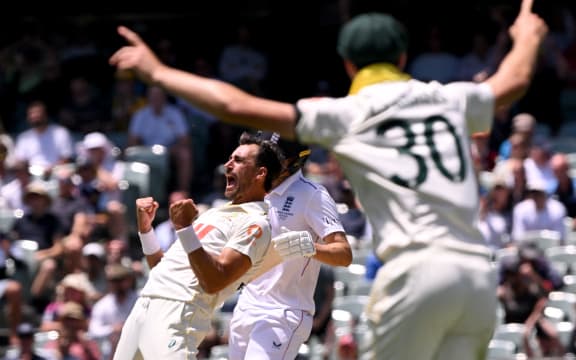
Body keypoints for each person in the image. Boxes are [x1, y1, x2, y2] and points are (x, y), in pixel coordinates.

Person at [109, 1, 548, 358]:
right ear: (402, 58)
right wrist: (528, 34)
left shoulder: (348, 113)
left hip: (411, 276)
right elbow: (514, 79)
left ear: (348, 64)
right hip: (475, 276)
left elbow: (234, 103)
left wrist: (159, 72)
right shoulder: (449, 98)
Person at [112, 132, 307, 359]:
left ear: (260, 173)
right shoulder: (214, 213)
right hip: (144, 306)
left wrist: (185, 228)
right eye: (230, 158)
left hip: (180, 312)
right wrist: (146, 231)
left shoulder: (257, 223)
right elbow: (162, 271)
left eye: (239, 160)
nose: (228, 164)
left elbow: (215, 281)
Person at [227, 132, 352, 359]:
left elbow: (344, 254)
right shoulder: (256, 190)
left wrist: (310, 248)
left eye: (272, 156)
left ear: (294, 162)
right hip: (246, 306)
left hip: (283, 312)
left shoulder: (313, 195)